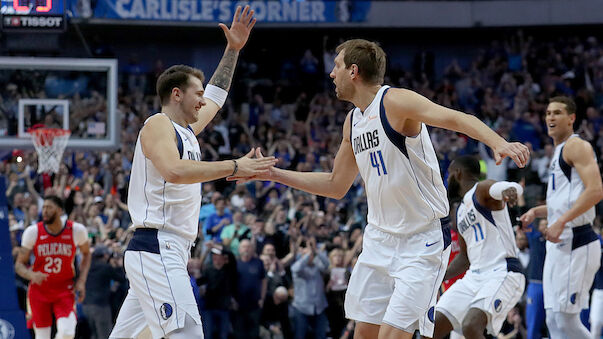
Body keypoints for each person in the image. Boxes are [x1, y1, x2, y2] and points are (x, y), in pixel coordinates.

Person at [230, 39, 529, 338]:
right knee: (363, 335)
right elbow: (336, 185)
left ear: (354, 71)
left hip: (420, 240)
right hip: (379, 239)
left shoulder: (394, 102)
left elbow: (456, 118)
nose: (331, 74)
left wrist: (498, 142)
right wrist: (274, 173)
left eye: (336, 66)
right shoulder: (352, 121)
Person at [109, 6, 277, 339]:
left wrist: (233, 50)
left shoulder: (186, 130)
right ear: (176, 94)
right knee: (187, 334)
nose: (202, 102)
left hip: (167, 251)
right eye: (196, 94)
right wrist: (234, 165)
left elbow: (216, 95)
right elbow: (173, 170)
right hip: (157, 246)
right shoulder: (158, 124)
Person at [520, 96, 603, 339]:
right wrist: (536, 212)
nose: (551, 118)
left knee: (566, 321)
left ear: (572, 118)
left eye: (557, 113)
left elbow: (596, 191)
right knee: (554, 321)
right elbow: (562, 202)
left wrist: (562, 221)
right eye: (547, 113)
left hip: (577, 240)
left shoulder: (576, 146)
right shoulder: (558, 152)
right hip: (559, 245)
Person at [432, 156, 526, 339]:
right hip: (474, 276)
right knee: (432, 327)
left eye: (449, 174)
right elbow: (465, 258)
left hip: (503, 272)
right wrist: (437, 276)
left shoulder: (481, 190)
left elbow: (505, 187)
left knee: (471, 326)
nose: (447, 179)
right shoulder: (459, 211)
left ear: (457, 173)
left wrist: (510, 190)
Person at [14, 195, 91, 339]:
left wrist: (81, 281)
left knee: (68, 333)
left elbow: (87, 254)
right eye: (43, 208)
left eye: (49, 207)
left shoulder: (76, 230)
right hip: (39, 290)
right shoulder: (32, 232)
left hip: (64, 288)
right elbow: (18, 265)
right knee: (42, 336)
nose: (45, 211)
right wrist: (31, 275)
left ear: (60, 210)